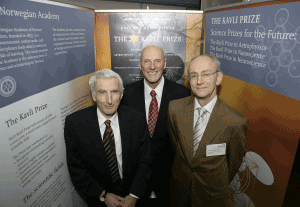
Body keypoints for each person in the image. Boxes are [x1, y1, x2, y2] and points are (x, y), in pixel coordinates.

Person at [168, 55, 247, 207]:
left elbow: (233, 164)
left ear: (218, 78)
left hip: (212, 198)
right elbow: (177, 147)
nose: (199, 81)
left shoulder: (235, 121)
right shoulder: (174, 109)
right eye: (194, 75)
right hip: (179, 193)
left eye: (206, 74)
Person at [64, 69, 152, 207]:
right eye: (102, 92)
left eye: (114, 92)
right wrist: (103, 195)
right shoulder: (75, 124)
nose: (109, 100)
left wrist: (134, 195)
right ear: (93, 95)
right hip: (98, 200)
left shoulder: (137, 119)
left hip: (134, 197)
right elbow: (77, 169)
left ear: (122, 94)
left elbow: (146, 161)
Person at [121, 45, 191, 206]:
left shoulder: (182, 95)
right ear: (140, 65)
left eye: (157, 61)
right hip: (136, 186)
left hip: (170, 184)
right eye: (147, 61)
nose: (152, 66)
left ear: (165, 64)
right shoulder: (126, 95)